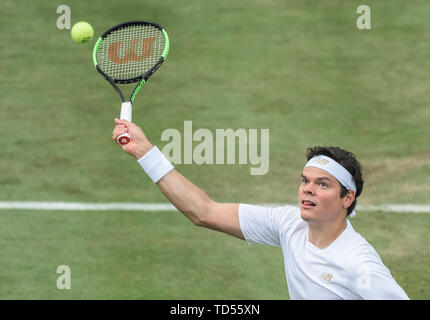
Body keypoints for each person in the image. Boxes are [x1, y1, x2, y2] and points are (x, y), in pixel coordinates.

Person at [112, 118, 409, 300]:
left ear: (347, 198)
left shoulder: (360, 265)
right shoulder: (288, 223)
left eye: (323, 184)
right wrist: (144, 151)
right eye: (305, 181)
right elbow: (203, 211)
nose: (307, 189)